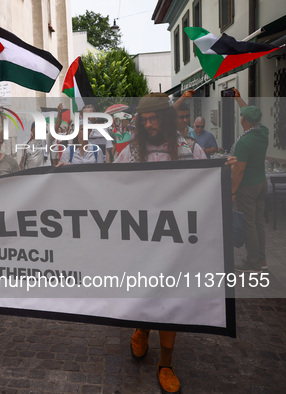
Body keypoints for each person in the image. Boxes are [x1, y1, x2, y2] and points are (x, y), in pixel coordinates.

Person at [114, 93, 206, 394]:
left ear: (166, 119)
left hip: (176, 245)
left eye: (155, 118)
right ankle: (142, 328)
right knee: (145, 296)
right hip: (141, 243)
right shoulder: (130, 153)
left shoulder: (189, 150)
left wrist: (225, 172)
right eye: (145, 119)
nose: (150, 124)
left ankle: (166, 363)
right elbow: (107, 186)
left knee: (170, 304)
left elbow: (206, 189)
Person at [226, 89, 268, 272]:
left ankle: (253, 262)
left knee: (249, 225)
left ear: (243, 120)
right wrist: (238, 99)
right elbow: (250, 114)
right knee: (259, 223)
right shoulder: (262, 132)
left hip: (248, 187)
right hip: (261, 183)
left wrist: (233, 192)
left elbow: (239, 170)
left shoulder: (244, 142)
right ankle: (262, 260)